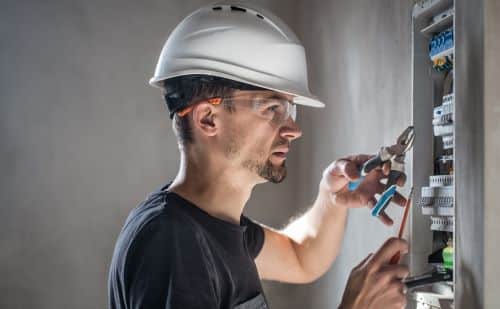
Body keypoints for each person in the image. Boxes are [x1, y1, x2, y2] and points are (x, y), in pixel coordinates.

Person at [108, 2, 409, 308]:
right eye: (271, 108)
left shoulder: (215, 227)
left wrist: (331, 197)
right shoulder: (172, 242)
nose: (293, 129)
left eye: (289, 109)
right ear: (208, 119)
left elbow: (300, 256)